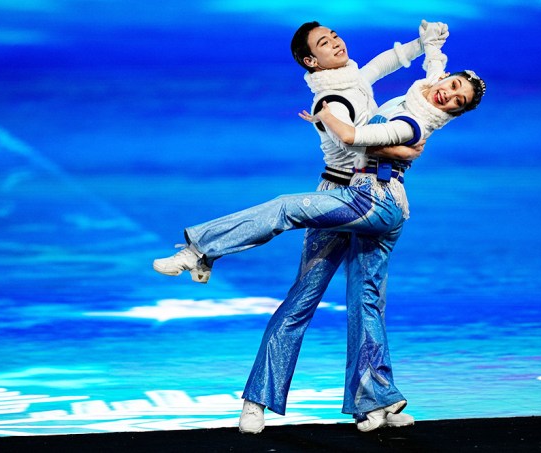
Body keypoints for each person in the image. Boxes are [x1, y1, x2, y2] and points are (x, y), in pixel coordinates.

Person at [153, 21, 474, 433]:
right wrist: (402, 147)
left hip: (374, 197)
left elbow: (392, 63)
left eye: (335, 35)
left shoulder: (356, 77)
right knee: (300, 298)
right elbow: (350, 141)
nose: (336, 42)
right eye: (325, 43)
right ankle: (256, 400)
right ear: (311, 60)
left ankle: (376, 401)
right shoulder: (331, 98)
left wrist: (424, 43)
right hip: (340, 197)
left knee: (367, 300)